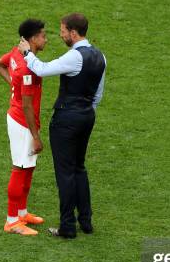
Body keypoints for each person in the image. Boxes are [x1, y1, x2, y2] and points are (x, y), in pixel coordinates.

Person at [18, 13, 106, 238]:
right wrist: (86, 111)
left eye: (64, 31)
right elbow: (98, 93)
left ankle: (67, 226)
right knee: (79, 168)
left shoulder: (75, 56)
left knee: (65, 173)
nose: (61, 35)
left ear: (74, 33)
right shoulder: (100, 56)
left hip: (67, 119)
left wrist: (27, 52)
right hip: (87, 116)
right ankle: (85, 221)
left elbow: (42, 69)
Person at [0, 19, 48, 235]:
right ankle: (11, 221)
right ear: (33, 38)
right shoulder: (28, 67)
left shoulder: (18, 53)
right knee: (19, 168)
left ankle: (22, 213)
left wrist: (13, 85)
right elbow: (27, 105)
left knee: (29, 167)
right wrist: (35, 136)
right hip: (22, 121)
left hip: (21, 118)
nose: (46, 39)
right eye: (43, 35)